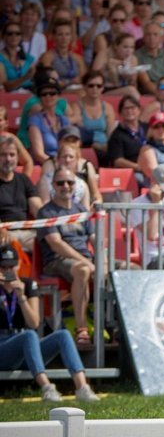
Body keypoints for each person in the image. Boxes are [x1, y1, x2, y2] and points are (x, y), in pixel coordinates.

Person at [0, 244, 100, 402]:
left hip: (25, 345)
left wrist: (21, 297)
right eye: (3, 267)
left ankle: (82, 387)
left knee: (63, 335)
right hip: (3, 347)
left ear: (18, 265)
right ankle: (47, 388)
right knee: (29, 335)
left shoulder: (26, 285)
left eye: (12, 266)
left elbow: (34, 322)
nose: (8, 271)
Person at [37, 167, 96, 345]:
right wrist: (87, 261)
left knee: (128, 269)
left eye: (70, 182)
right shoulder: (46, 212)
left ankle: (117, 326)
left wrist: (104, 261)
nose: (66, 186)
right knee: (83, 269)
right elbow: (56, 244)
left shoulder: (81, 210)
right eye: (60, 182)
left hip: (84, 259)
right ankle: (81, 329)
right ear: (53, 185)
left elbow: (95, 239)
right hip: (56, 260)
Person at [0, 138, 43, 251]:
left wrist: (50, 225)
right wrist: (1, 230)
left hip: (26, 232)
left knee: (49, 241)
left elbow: (37, 207)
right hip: (3, 232)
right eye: (3, 155)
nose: (8, 159)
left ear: (17, 158)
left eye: (12, 155)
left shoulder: (24, 180)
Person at [107, 96, 148, 185]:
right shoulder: (117, 135)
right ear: (120, 113)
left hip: (151, 166)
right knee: (142, 180)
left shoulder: (147, 128)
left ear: (139, 110)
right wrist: (139, 167)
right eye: (126, 108)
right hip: (133, 171)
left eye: (132, 108)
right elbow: (117, 161)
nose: (129, 111)